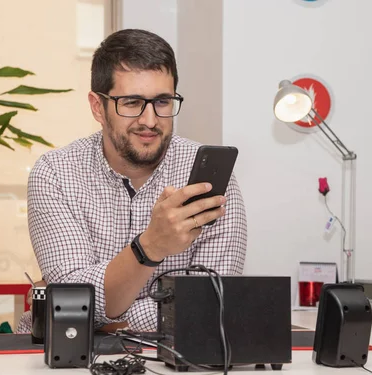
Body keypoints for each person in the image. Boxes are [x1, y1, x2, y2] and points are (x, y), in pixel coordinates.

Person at [16, 28, 247, 334]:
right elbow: (72, 300)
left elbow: (206, 306)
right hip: (64, 362)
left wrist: (102, 325)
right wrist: (151, 245)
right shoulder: (57, 173)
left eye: (162, 102)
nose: (150, 120)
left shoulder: (210, 180)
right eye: (131, 102)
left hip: (175, 364)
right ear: (98, 107)